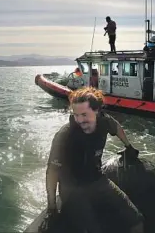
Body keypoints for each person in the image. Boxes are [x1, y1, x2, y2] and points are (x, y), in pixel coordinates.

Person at [44, 87, 144, 233]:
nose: (79, 120)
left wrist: (129, 147)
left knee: (136, 220)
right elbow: (52, 171)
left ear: (97, 111)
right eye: (76, 115)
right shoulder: (65, 135)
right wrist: (52, 207)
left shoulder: (104, 122)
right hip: (72, 188)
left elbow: (116, 128)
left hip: (97, 180)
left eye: (84, 115)